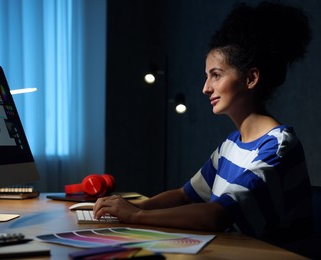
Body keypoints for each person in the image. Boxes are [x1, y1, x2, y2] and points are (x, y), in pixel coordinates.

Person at [93, 1, 313, 255]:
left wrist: (137, 214)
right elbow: (186, 195)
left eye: (216, 75)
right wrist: (133, 206)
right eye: (207, 76)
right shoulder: (232, 145)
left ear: (251, 79)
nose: (206, 87)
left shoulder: (278, 146)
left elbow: (216, 215)